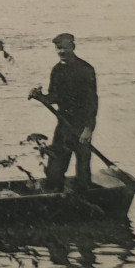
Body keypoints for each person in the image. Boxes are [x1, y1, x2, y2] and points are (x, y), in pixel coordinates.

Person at [30, 33, 97, 192]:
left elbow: (93, 102)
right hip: (64, 125)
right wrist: (40, 96)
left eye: (65, 48)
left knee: (82, 171)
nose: (62, 52)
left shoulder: (86, 70)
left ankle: (85, 200)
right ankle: (55, 197)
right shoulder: (57, 70)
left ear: (73, 47)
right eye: (59, 48)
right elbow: (54, 96)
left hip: (81, 126)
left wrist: (89, 129)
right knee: (55, 168)